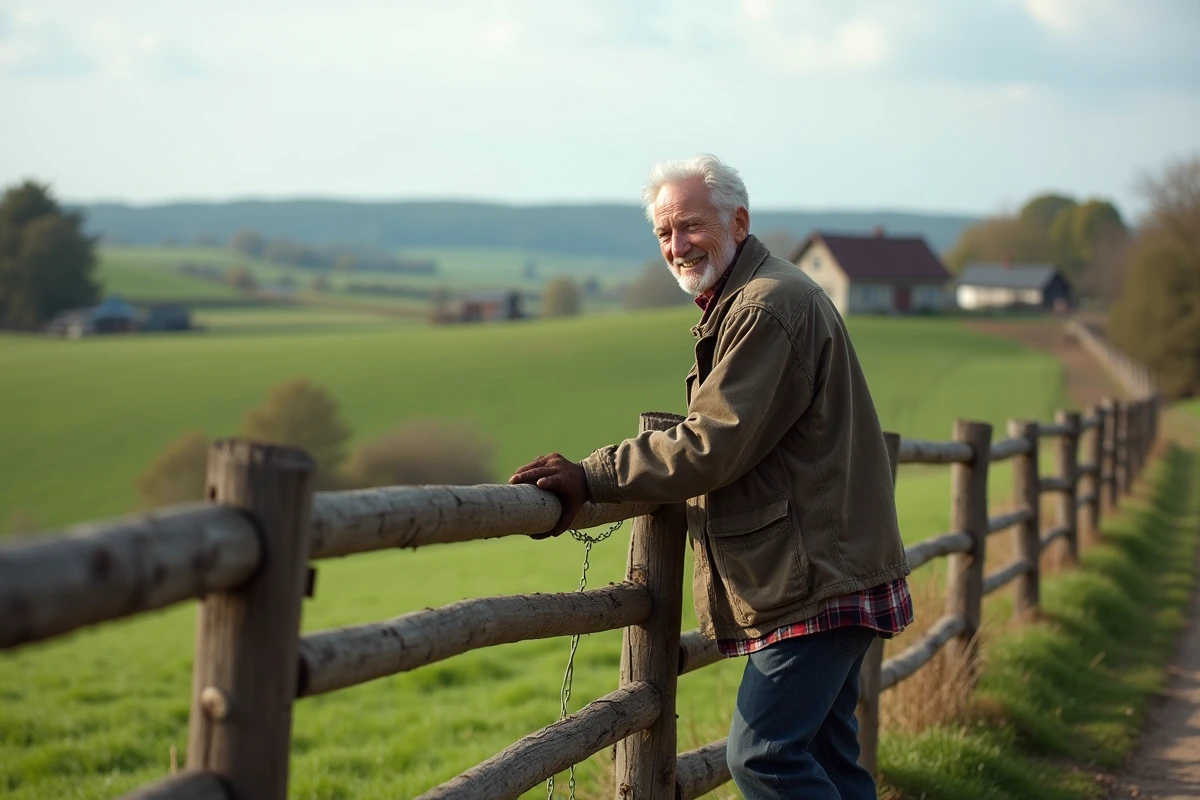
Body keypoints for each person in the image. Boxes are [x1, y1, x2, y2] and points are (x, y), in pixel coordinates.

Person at [509, 154, 912, 799]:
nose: (677, 246)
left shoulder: (766, 306)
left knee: (764, 758)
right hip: (825, 567)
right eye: (664, 234)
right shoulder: (751, 298)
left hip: (816, 577)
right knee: (829, 762)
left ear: (739, 221)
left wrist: (593, 475)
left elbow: (710, 444)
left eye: (691, 226)